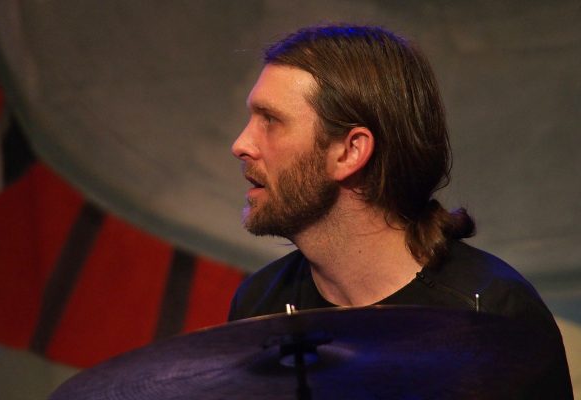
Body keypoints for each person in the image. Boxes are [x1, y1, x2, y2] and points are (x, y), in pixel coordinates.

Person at [228, 25, 572, 395]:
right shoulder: (260, 304)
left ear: (350, 151)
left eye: (271, 121)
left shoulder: (492, 313)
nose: (241, 144)